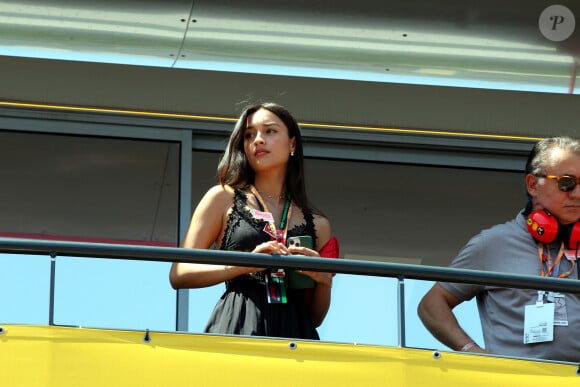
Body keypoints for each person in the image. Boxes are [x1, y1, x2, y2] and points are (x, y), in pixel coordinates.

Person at [170, 102, 339, 340]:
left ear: (292, 143)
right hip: (237, 322)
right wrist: (245, 264)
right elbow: (179, 273)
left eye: (269, 131)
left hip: (296, 334)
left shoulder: (318, 223)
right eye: (250, 135)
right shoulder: (222, 198)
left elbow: (314, 318)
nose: (258, 140)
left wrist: (324, 281)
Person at [418, 136, 580, 362]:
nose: (577, 194)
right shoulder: (493, 243)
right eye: (566, 183)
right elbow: (431, 304)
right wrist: (472, 352)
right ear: (533, 185)